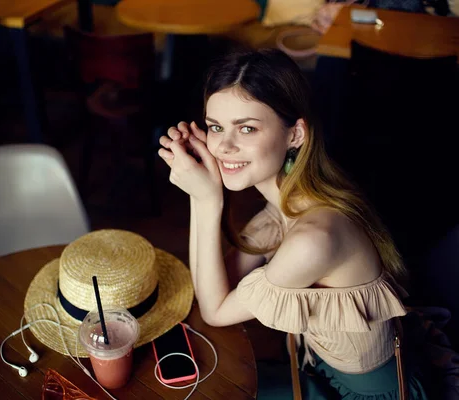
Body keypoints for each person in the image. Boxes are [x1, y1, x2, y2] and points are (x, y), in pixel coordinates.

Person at [157, 48, 428, 399]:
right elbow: (216, 286)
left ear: (295, 135)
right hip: (316, 371)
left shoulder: (314, 238)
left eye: (247, 128)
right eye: (215, 127)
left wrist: (205, 198)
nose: (224, 146)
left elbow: (215, 310)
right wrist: (206, 188)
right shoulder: (287, 203)